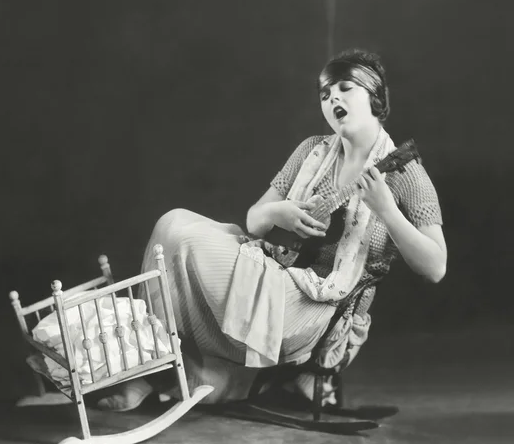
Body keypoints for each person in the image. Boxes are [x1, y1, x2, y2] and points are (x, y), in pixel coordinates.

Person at [97, 48, 447, 410]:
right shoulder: (312, 151)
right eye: (325, 95)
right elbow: (255, 220)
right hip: (276, 270)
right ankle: (151, 371)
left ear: (374, 98)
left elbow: (436, 267)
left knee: (187, 243)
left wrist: (387, 209)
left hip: (318, 310)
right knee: (171, 223)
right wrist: (279, 212)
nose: (333, 99)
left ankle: (158, 375)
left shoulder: (405, 175)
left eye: (345, 88)